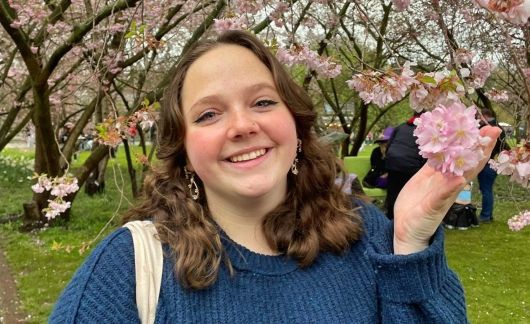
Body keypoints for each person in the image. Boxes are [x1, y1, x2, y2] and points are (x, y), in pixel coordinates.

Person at [49, 31, 501, 323]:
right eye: (209, 114)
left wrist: (411, 245)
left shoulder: (369, 239)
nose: (243, 126)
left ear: (297, 128)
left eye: (263, 102)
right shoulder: (129, 268)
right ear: (183, 149)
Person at [384, 112, 427, 219]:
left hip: (393, 162)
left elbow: (389, 146)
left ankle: (391, 218)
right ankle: (406, 219)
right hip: (411, 165)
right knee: (410, 194)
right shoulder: (425, 130)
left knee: (393, 193)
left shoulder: (400, 127)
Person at [477, 108, 510, 223]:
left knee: (486, 189)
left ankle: (485, 215)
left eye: (479, 117)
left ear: (484, 116)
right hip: (493, 162)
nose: (478, 119)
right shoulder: (499, 128)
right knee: (487, 189)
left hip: (487, 163)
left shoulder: (488, 129)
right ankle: (488, 214)